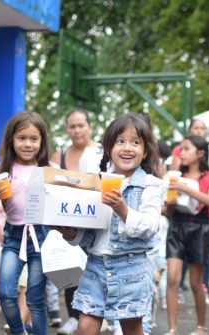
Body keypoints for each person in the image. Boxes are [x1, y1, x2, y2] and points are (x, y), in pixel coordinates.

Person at [55, 113, 163, 335]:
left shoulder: (152, 186)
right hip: (95, 266)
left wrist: (122, 209)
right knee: (84, 327)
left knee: (131, 329)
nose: (127, 147)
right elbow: (90, 234)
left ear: (145, 152)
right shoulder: (96, 183)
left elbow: (150, 226)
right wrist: (70, 232)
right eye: (120, 141)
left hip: (131, 269)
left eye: (135, 142)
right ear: (108, 148)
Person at [0, 111, 52, 335]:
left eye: (34, 139)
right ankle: (18, 330)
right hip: (13, 236)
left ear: (41, 141)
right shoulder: (1, 171)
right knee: (5, 292)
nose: (28, 144)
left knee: (34, 296)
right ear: (11, 140)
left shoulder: (48, 170)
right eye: (22, 138)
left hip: (42, 236)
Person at [165, 135, 209, 335]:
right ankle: (172, 328)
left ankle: (201, 326)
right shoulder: (175, 176)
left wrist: (185, 189)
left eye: (186, 149)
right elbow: (167, 210)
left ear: (200, 153)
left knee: (195, 282)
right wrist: (169, 204)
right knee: (172, 279)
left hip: (199, 229)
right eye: (180, 149)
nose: (181, 153)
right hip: (176, 226)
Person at [49, 109, 102, 335]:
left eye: (81, 125)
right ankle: (72, 317)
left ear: (89, 126)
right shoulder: (59, 155)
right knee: (70, 267)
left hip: (93, 220)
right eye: (72, 126)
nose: (77, 130)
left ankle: (100, 315)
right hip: (67, 221)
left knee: (96, 269)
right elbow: (49, 183)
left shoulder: (102, 151)